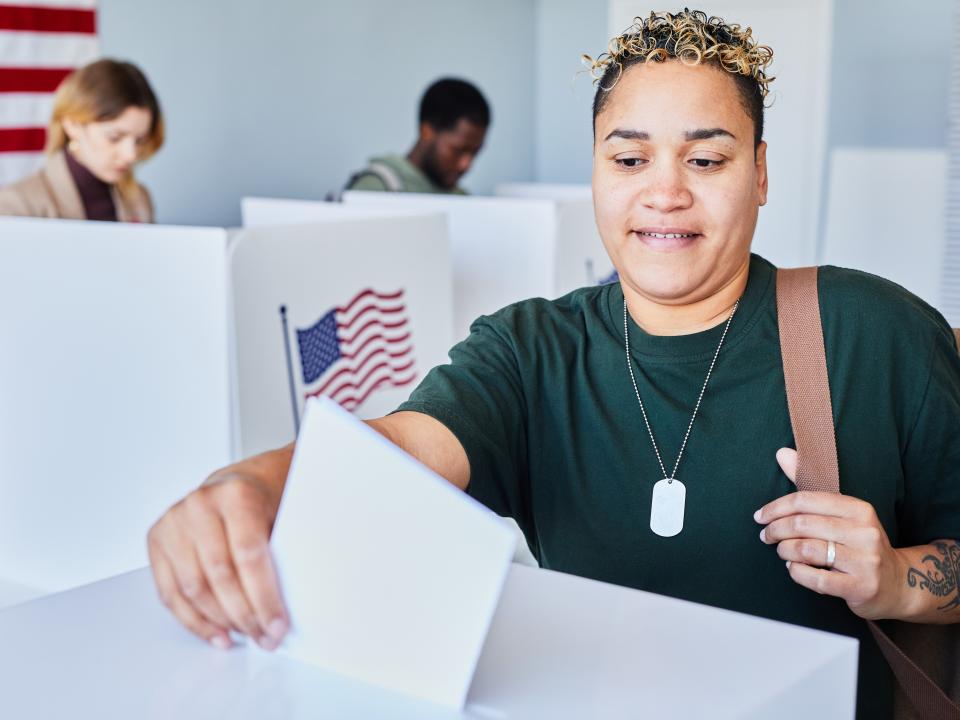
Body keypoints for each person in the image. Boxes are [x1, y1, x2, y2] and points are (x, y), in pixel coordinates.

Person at [148, 10, 960, 719]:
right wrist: (248, 488)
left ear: (762, 174)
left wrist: (893, 579)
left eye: (706, 160)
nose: (665, 192)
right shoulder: (530, 351)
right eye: (630, 158)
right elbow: (398, 449)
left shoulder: (875, 332)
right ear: (597, 173)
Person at [0, 58, 163, 222]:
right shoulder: (15, 206)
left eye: (139, 140)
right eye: (115, 137)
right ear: (72, 125)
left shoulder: (140, 201)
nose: (131, 155)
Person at [342, 77, 489, 195]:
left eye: (475, 153)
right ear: (427, 131)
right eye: (458, 150)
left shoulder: (463, 199)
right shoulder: (377, 187)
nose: (466, 165)